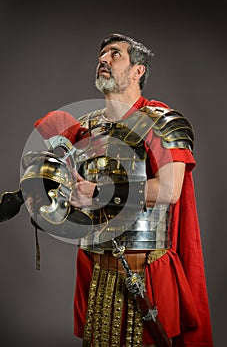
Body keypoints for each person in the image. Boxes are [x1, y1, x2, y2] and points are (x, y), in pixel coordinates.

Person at [32, 33, 213, 346]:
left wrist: (100, 192)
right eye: (102, 55)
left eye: (115, 54)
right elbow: (74, 194)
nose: (103, 59)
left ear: (137, 71)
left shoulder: (162, 122)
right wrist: (52, 196)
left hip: (143, 273)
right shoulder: (84, 128)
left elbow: (170, 189)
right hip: (96, 272)